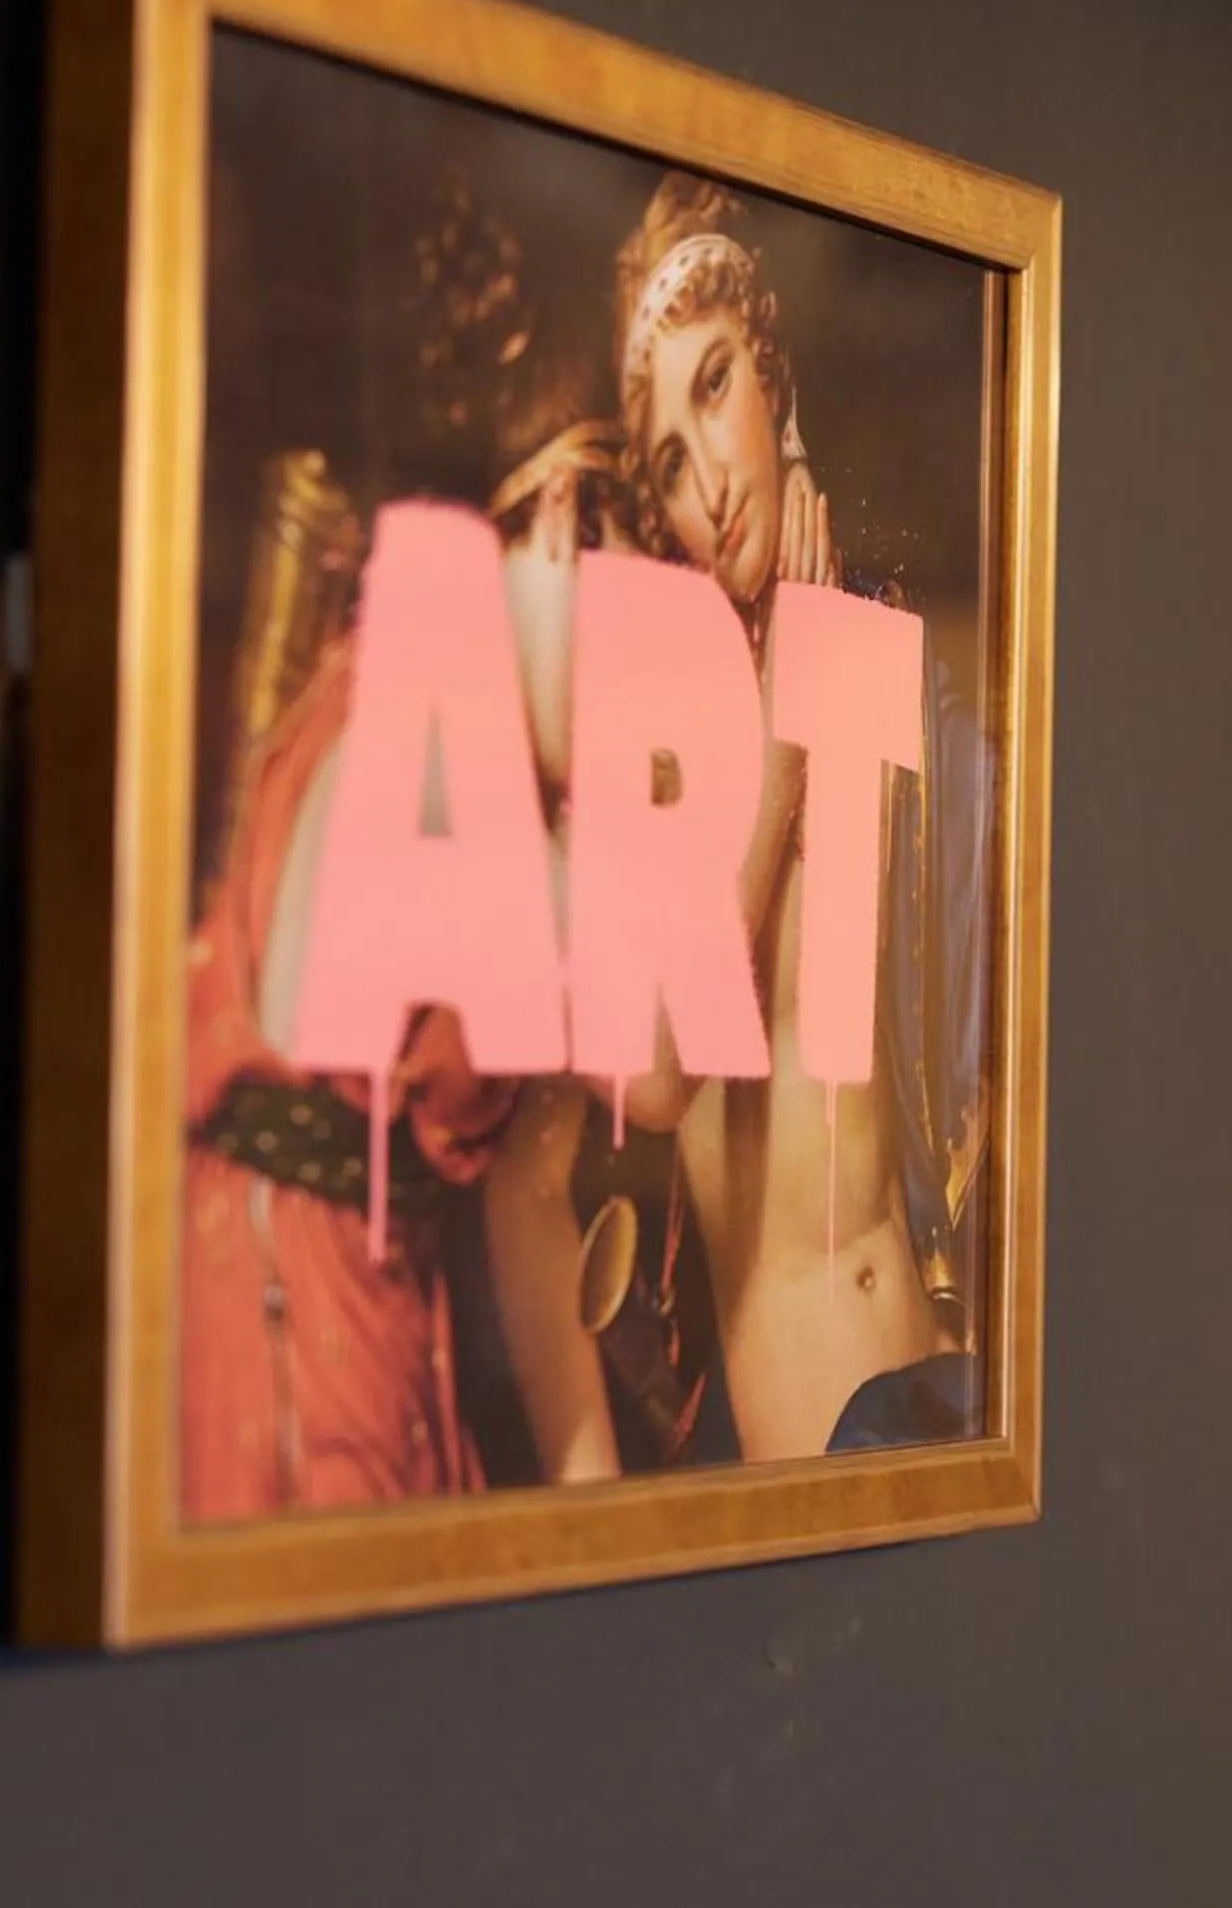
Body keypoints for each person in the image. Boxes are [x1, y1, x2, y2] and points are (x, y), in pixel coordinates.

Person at [174, 401, 628, 1521]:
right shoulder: (437, 718)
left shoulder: (403, 681)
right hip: (301, 1337)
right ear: (565, 523)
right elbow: (650, 1065)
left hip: (339, 1306)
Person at [602, 171, 985, 1460]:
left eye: (716, 387)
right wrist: (774, 749)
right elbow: (653, 1074)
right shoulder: (661, 740)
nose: (709, 475)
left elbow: (954, 1034)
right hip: (818, 1428)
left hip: (946, 1385)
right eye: (666, 459)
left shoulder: (870, 647)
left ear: (773, 381)